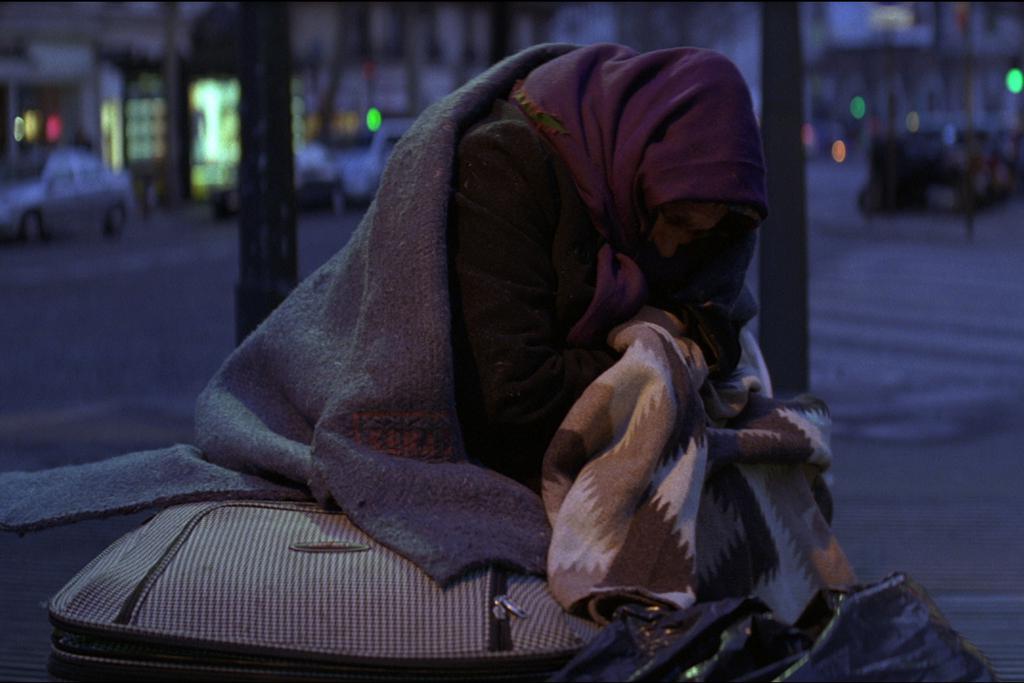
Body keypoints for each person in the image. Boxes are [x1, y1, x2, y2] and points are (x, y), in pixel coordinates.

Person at [448, 44, 766, 492]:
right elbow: (512, 398)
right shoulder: (507, 164)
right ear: (635, 159)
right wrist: (655, 352)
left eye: (696, 235)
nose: (671, 249)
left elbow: (721, 327)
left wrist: (670, 324)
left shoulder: (708, 218)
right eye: (672, 219)